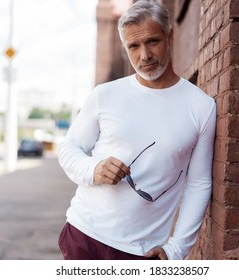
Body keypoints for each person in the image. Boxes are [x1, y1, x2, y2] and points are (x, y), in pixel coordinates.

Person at [58, 0, 216, 260]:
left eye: (153, 41)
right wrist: (93, 169)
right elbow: (69, 148)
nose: (145, 55)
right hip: (83, 235)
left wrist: (177, 249)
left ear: (170, 36)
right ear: (125, 48)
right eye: (134, 46)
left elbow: (199, 183)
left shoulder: (201, 107)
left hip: (143, 253)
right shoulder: (104, 95)